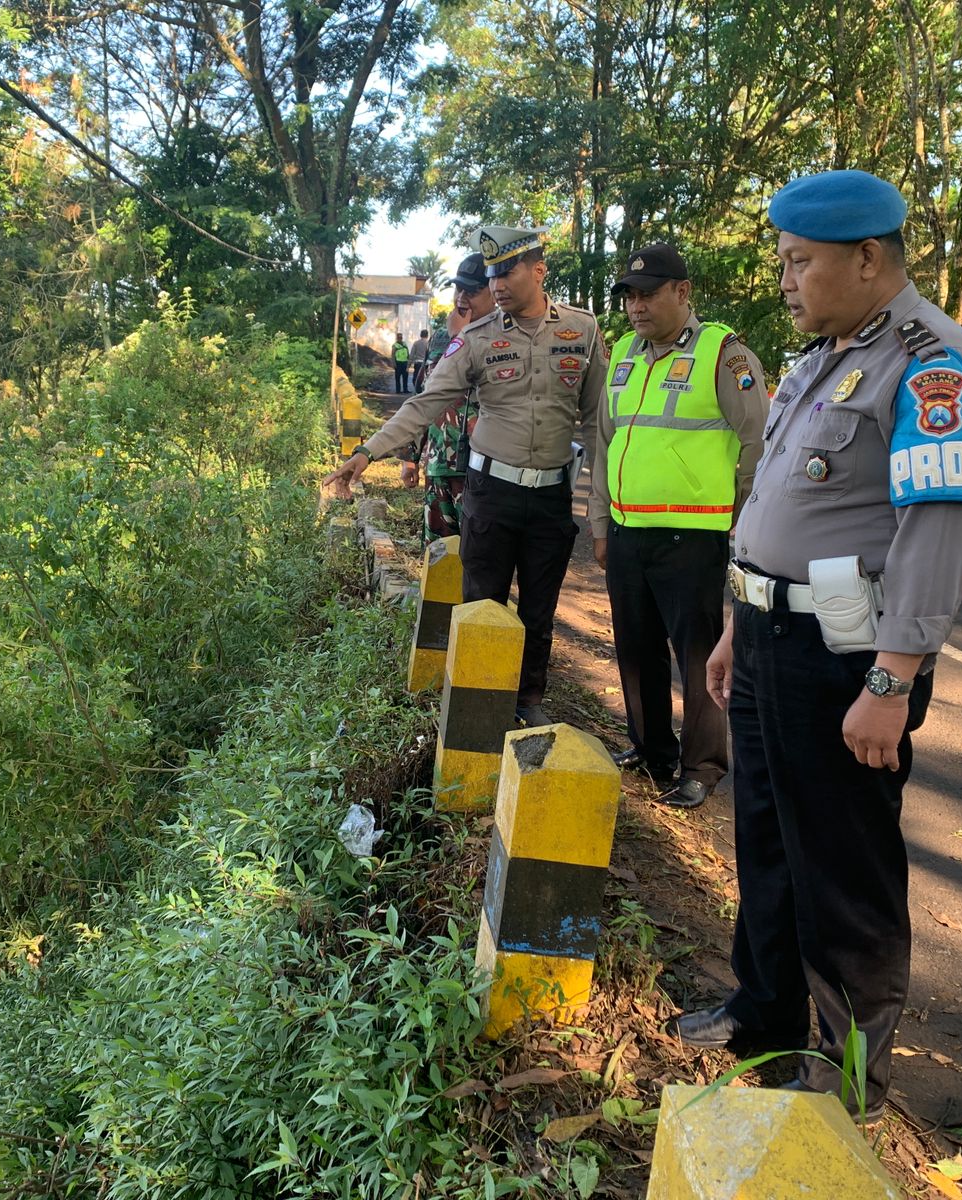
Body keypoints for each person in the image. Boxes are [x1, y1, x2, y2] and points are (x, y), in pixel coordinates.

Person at [673, 170, 962, 1125]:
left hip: (848, 657)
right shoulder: (822, 354)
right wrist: (736, 623)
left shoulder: (930, 360)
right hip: (770, 634)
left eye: (800, 261)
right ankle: (762, 1015)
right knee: (767, 839)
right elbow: (776, 504)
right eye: (783, 260)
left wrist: (893, 679)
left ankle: (846, 1069)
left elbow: (936, 529)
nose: (785, 278)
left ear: (868, 259)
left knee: (844, 865)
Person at [325, 228, 606, 726]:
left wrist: (600, 516)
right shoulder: (476, 339)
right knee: (482, 605)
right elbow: (425, 404)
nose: (496, 283)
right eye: (492, 274)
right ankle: (479, 713)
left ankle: (528, 702)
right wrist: (368, 453)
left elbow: (597, 425)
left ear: (538, 271)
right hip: (491, 493)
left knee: (540, 611)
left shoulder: (582, 332)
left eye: (507, 271)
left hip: (551, 497)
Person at [587, 244, 766, 809]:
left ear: (682, 293)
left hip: (692, 537)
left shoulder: (724, 354)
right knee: (636, 648)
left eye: (649, 294)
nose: (636, 307)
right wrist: (598, 520)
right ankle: (651, 748)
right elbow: (604, 441)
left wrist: (741, 517)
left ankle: (703, 765)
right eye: (629, 297)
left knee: (698, 655)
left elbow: (759, 442)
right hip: (626, 531)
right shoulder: (622, 354)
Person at [401, 255, 497, 542]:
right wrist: (410, 457)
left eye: (473, 291)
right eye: (459, 290)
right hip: (438, 464)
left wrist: (464, 338)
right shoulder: (441, 338)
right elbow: (424, 398)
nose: (462, 298)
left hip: (481, 471)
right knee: (438, 557)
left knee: (480, 559)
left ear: (494, 290)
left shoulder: (506, 337)